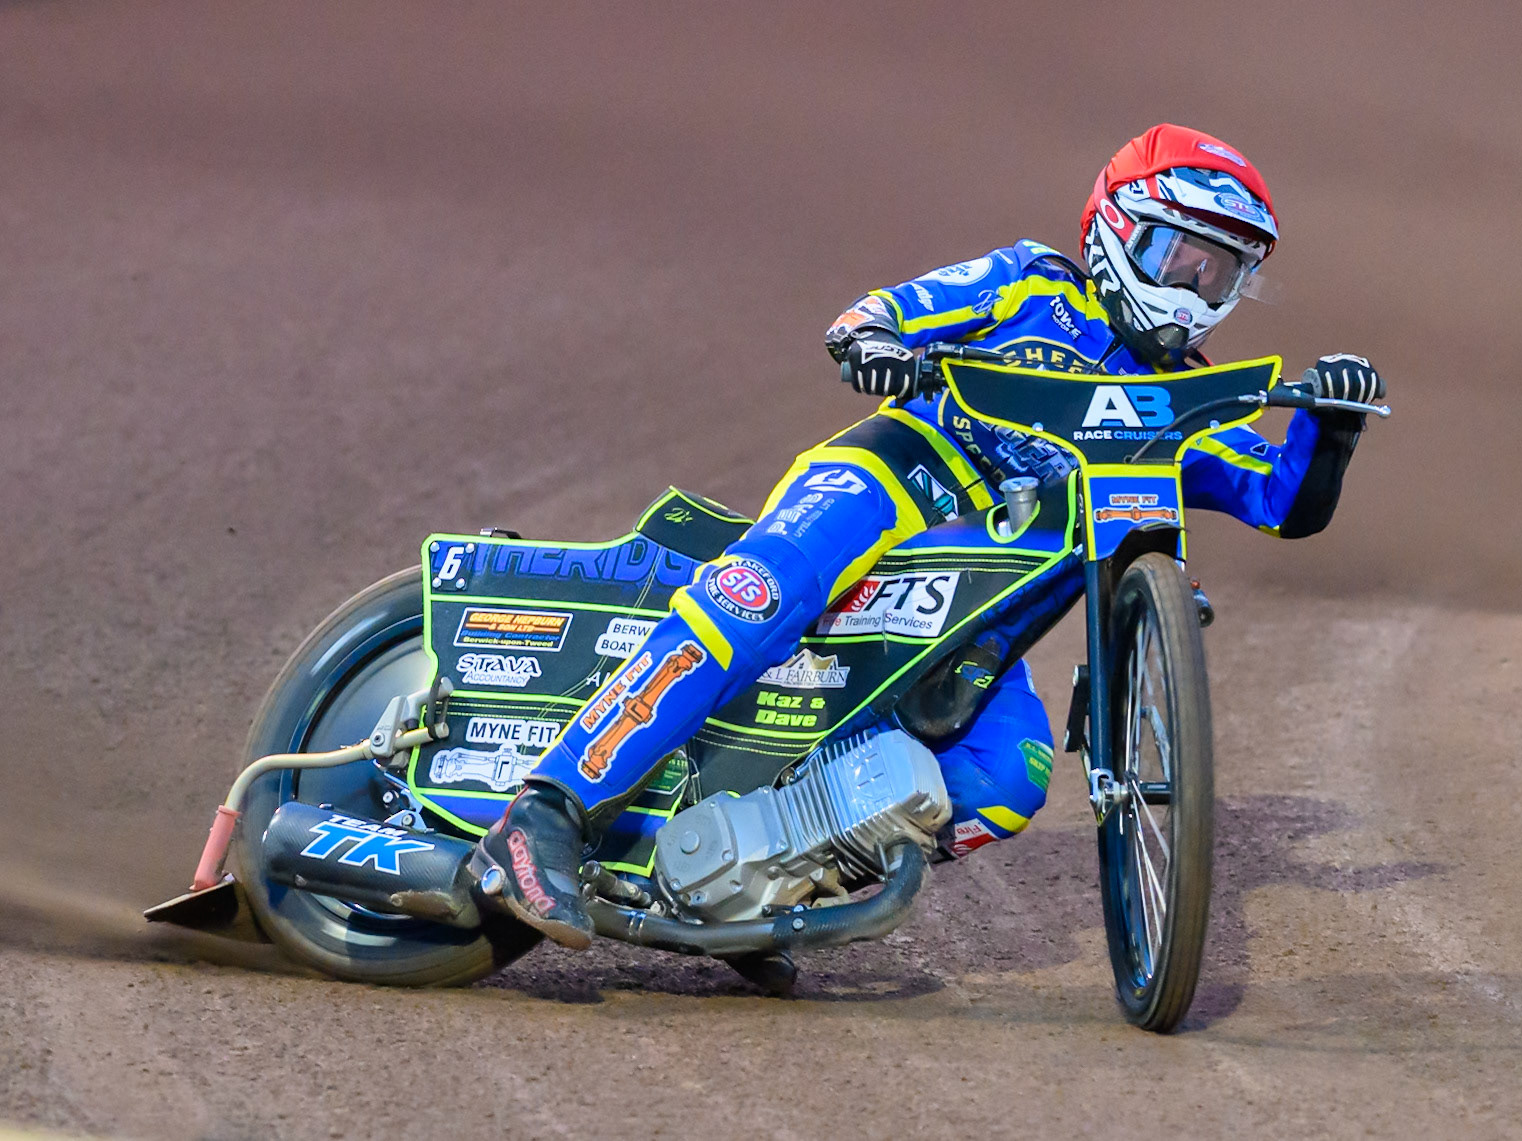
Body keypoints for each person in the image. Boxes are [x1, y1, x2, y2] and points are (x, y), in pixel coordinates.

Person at [470, 123, 1386, 950]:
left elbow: (1280, 500)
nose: (1192, 290)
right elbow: (877, 314)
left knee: (1011, 770)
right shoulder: (1031, 280)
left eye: (1218, 272)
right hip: (899, 479)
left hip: (971, 612)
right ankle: (545, 810)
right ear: (1115, 227)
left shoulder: (1189, 399)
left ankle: (755, 889)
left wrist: (1330, 424)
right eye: (1177, 255)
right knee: (763, 590)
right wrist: (874, 340)